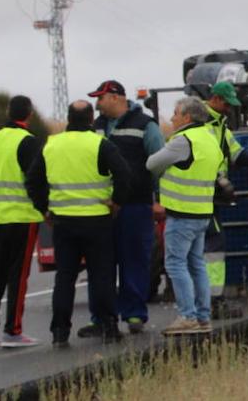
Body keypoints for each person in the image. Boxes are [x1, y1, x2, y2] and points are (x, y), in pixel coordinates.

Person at [25, 100, 131, 348]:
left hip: (63, 222)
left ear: (68, 118)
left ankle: (60, 330)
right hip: (97, 220)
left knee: (65, 277)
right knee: (101, 275)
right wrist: (117, 202)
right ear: (91, 118)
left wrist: (44, 209)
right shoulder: (100, 144)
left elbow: (33, 180)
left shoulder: (51, 145)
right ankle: (108, 325)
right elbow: (124, 174)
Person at [83, 79, 163, 337]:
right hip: (102, 208)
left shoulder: (145, 126)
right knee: (100, 265)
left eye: (101, 98)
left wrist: (159, 199)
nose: (97, 104)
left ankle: (134, 314)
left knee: (134, 260)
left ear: (116, 97)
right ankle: (101, 318)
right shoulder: (96, 127)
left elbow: (159, 164)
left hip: (135, 205)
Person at [146, 96, 221, 335]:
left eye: (175, 113)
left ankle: (187, 316)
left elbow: (152, 163)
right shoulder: (209, 138)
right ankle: (202, 316)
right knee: (196, 264)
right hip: (202, 211)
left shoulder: (182, 140)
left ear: (187, 117)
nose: (171, 118)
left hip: (181, 212)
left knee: (175, 264)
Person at [202, 81, 248, 319]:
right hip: (203, 194)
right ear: (216, 100)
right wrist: (217, 180)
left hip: (210, 194)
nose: (229, 109)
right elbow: (202, 158)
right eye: (226, 104)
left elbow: (237, 154)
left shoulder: (219, 124)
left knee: (206, 247)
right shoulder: (203, 123)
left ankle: (209, 300)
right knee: (212, 247)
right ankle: (212, 301)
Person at [0, 95, 45, 349]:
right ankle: (13, 331)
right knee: (18, 275)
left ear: (8, 112)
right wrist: (45, 209)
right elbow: (36, 180)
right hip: (22, 215)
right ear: (29, 114)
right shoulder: (27, 142)